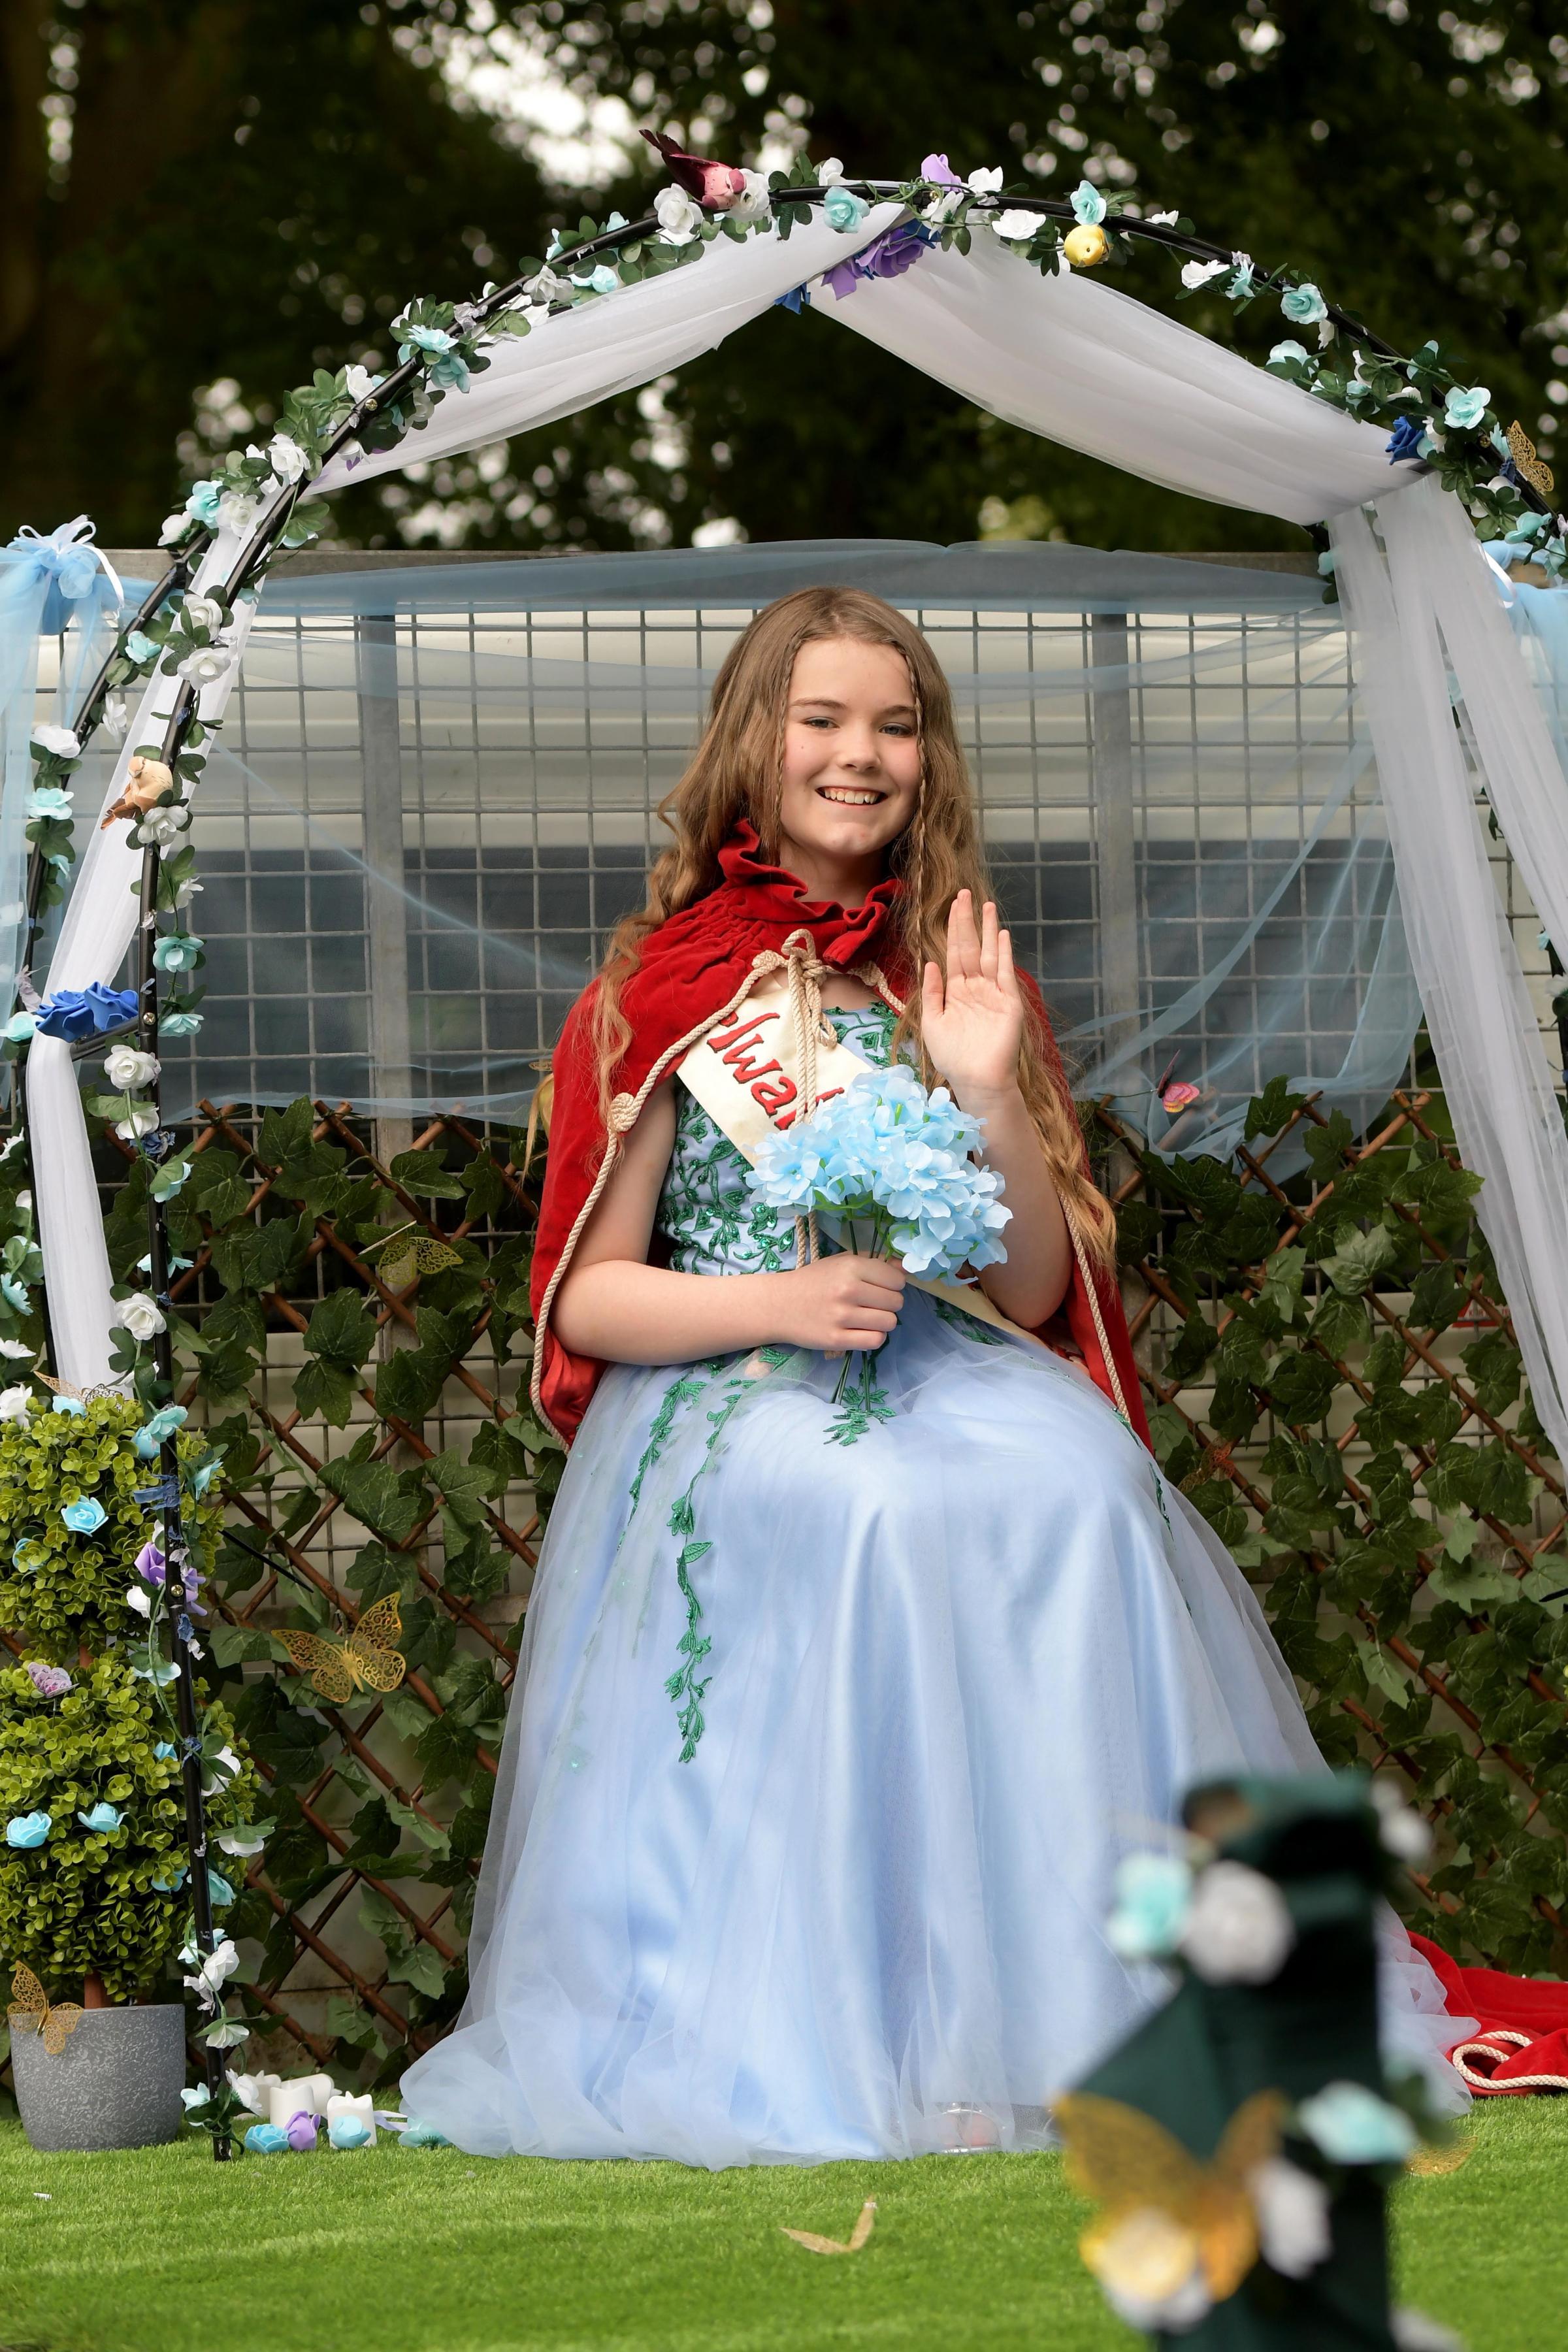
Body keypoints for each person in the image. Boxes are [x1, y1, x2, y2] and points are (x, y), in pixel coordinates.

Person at [399, 586, 1465, 2165]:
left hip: (939, 1355)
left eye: (896, 724)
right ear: (752, 744)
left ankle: (1084, 2024)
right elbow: (596, 1300)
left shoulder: (953, 976)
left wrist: (981, 1081)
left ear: (930, 756)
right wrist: (779, 1293)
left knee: (1085, 1483)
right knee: (878, 1513)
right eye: (821, 719)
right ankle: (893, 2034)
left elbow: (1032, 1288)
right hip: (731, 1386)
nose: (860, 754)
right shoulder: (659, 990)